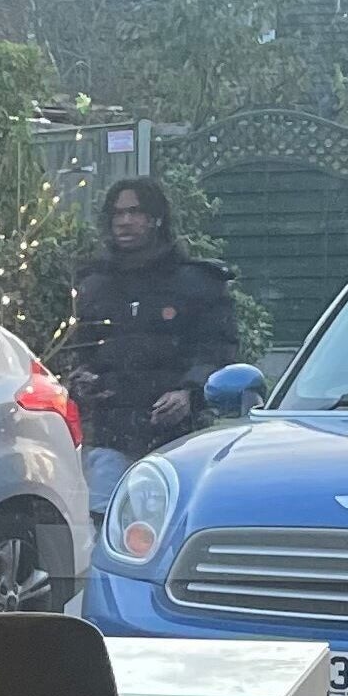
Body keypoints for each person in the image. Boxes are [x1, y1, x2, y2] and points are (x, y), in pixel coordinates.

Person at [62, 176, 241, 515]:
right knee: (104, 524)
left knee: (170, 525)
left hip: (178, 440)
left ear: (156, 218)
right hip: (110, 436)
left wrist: (189, 392)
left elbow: (218, 349)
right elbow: (78, 350)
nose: (124, 221)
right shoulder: (93, 285)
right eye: (117, 214)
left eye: (135, 212)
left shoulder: (198, 283)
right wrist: (82, 378)